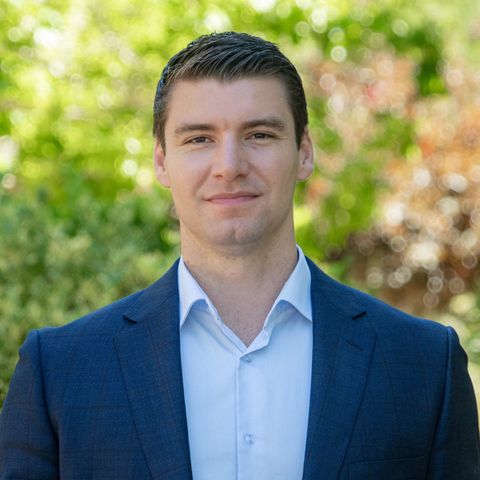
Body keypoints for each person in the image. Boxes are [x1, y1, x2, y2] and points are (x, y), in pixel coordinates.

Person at [0, 32, 479, 480]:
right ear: (162, 161)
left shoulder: (423, 364)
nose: (229, 166)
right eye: (199, 138)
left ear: (304, 153)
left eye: (259, 135)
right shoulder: (58, 371)